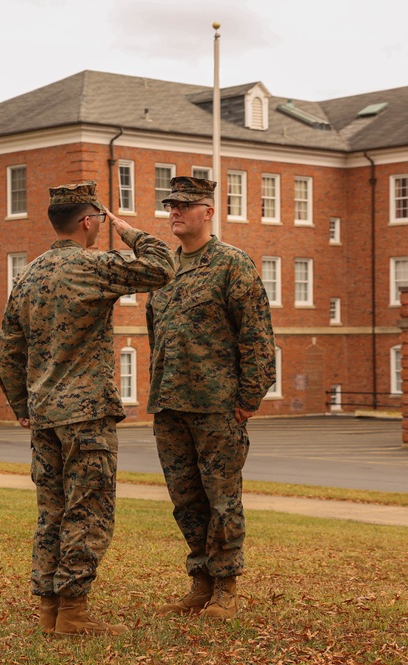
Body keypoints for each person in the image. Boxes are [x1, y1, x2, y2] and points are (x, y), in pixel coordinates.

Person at [0, 181, 174, 636]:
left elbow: (7, 355)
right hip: (86, 416)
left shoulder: (28, 276)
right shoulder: (91, 266)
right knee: (88, 509)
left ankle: (49, 610)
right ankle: (73, 612)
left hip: (44, 416)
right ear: (89, 221)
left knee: (51, 511)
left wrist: (23, 405)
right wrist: (130, 231)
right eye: (99, 220)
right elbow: (162, 266)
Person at [146, 176, 276, 619]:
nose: (175, 212)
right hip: (170, 404)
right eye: (171, 205)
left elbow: (257, 336)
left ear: (208, 211)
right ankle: (200, 581)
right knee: (185, 499)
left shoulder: (232, 265)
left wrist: (248, 398)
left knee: (222, 497)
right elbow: (156, 334)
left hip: (218, 405)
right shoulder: (164, 270)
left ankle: (226, 586)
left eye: (185, 205)